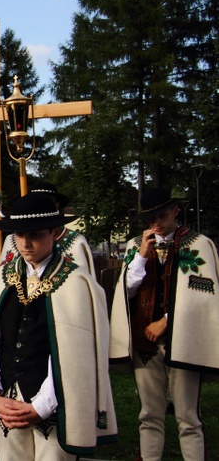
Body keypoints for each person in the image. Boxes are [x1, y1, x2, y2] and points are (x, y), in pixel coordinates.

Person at [0, 193, 117, 459]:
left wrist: (42, 405)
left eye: (35, 234)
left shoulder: (78, 285)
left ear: (55, 232)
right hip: (7, 401)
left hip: (56, 404)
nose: (25, 243)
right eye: (18, 235)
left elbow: (75, 354)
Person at [110, 187, 219, 461]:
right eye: (150, 219)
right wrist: (142, 257)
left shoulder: (198, 244)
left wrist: (167, 320)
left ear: (175, 211)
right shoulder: (137, 246)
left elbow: (203, 296)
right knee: (149, 415)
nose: (156, 223)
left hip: (183, 342)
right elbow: (126, 291)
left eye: (161, 215)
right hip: (145, 345)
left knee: (188, 417)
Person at [0, 182, 96, 276]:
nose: (25, 243)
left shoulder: (77, 242)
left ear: (57, 205)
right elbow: (3, 279)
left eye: (45, 200)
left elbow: (81, 283)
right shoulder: (11, 240)